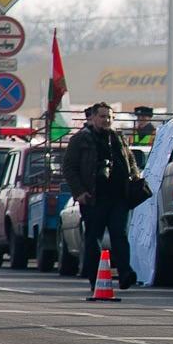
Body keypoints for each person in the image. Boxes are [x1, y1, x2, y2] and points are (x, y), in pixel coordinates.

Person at [63, 102, 142, 291]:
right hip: (94, 198)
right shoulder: (81, 140)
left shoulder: (118, 138)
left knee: (120, 235)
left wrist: (135, 179)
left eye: (109, 117)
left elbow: (130, 161)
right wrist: (80, 192)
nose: (106, 120)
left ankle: (125, 274)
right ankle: (95, 277)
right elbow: (69, 168)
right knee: (93, 239)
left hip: (118, 198)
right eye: (102, 116)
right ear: (92, 117)